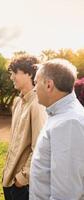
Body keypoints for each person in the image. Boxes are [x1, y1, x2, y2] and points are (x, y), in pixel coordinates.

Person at [30, 59, 84, 199]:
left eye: (36, 83)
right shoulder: (59, 114)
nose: (34, 89)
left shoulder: (69, 122)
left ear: (49, 85)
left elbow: (66, 194)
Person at [2, 55, 47, 200]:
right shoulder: (17, 102)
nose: (11, 77)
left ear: (29, 74)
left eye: (15, 73)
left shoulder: (38, 104)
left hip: (22, 186)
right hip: (9, 180)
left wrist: (23, 177)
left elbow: (40, 147)